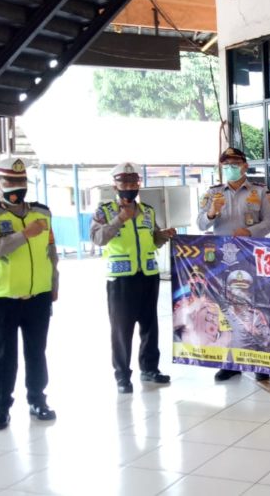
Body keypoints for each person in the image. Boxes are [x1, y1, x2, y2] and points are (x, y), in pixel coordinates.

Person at [0, 157, 58, 430]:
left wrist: (54, 283)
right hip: (2, 298)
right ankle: (0, 408)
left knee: (37, 351)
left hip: (38, 296)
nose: (16, 187)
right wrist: (23, 234)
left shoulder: (42, 213)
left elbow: (51, 251)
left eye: (21, 182)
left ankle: (37, 400)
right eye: (10, 181)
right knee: (2, 355)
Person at [91, 162, 177, 394]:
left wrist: (163, 235)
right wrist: (120, 219)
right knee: (122, 329)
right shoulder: (105, 211)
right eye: (124, 183)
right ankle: (122, 375)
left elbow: (152, 239)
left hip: (148, 275)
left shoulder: (147, 211)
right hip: (121, 279)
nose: (129, 187)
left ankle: (150, 368)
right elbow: (98, 239)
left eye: (133, 182)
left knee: (150, 325)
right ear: (115, 185)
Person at [198, 146, 270, 382]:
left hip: (251, 258)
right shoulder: (212, 194)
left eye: (234, 163)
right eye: (226, 164)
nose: (230, 168)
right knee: (226, 308)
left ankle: (259, 361)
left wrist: (250, 231)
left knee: (255, 307)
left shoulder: (261, 192)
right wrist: (211, 213)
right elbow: (201, 224)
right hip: (222, 261)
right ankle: (231, 363)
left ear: (245, 166)